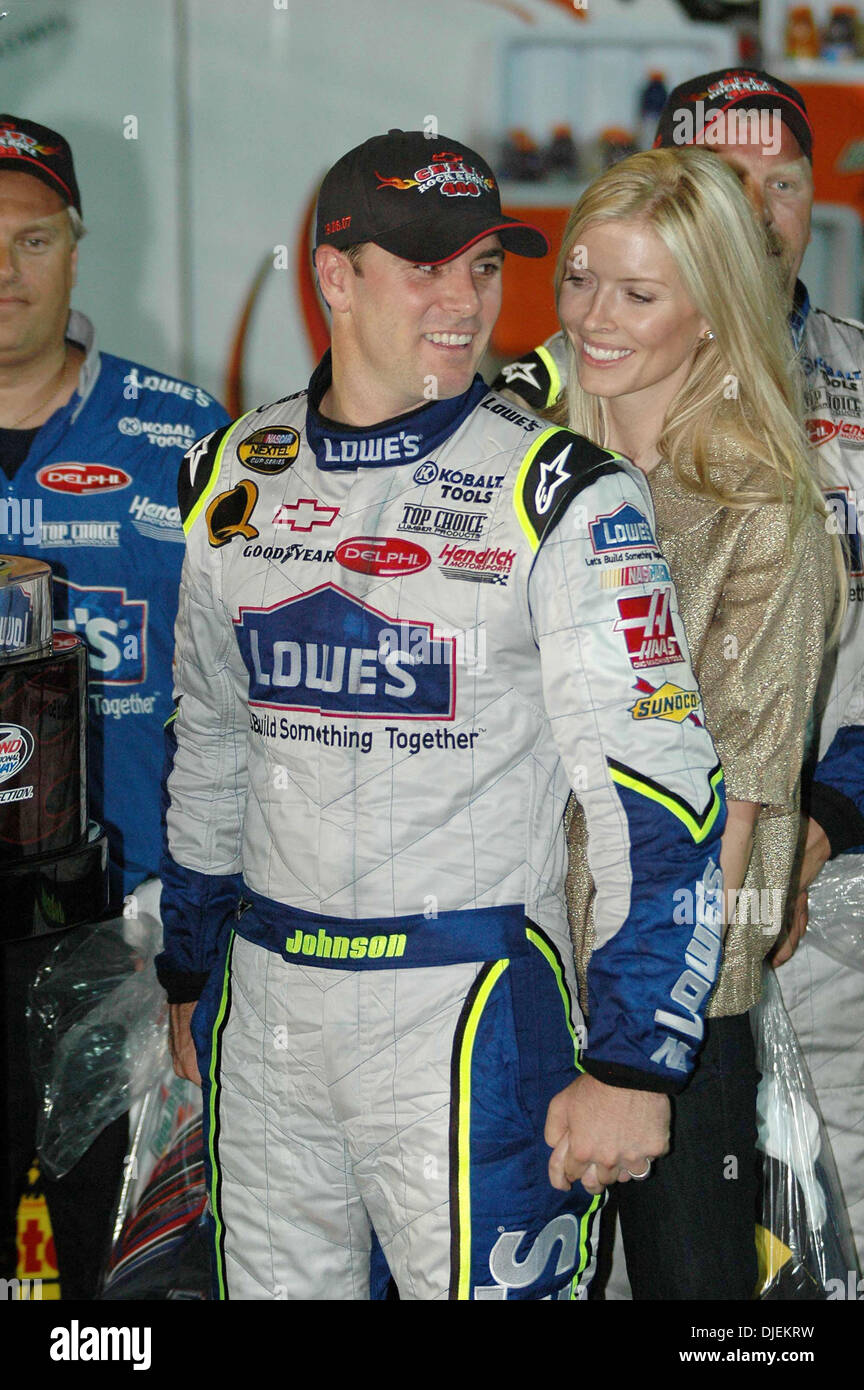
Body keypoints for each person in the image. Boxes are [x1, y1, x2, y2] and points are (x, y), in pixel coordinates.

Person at [156, 128, 727, 1301]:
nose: (464, 299)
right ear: (333, 273)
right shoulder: (233, 475)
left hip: (467, 1008)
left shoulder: (563, 493)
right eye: (424, 265)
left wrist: (635, 1059)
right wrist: (188, 967)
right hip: (265, 1002)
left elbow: (657, 795)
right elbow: (209, 738)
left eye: (482, 264)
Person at [494, 145, 839, 1299]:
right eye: (583, 277)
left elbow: (743, 794)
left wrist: (647, 1046)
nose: (593, 316)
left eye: (639, 294)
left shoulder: (762, 505)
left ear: (712, 309)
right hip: (509, 959)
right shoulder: (509, 457)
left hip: (673, 1006)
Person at [0, 115, 228, 1299]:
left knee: (120, 1273)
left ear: (78, 248)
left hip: (123, 936)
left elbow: (247, 704)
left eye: (32, 240)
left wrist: (196, 927)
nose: (3, 272)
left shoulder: (184, 437)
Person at [652, 67, 864, 1270]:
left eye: (784, 184)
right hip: (630, 915)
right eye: (729, 185)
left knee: (839, 1240)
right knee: (660, 1247)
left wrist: (827, 817)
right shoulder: (580, 389)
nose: (761, 211)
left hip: (833, 917)